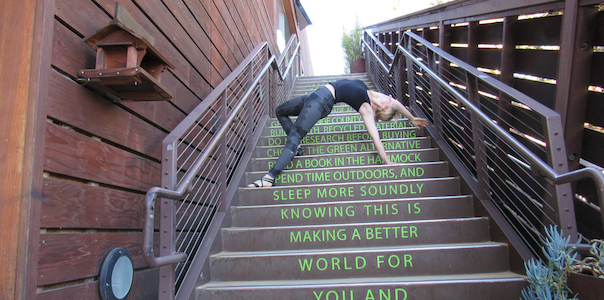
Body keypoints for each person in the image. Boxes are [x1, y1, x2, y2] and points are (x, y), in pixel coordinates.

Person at [248, 79, 429, 187]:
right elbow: (397, 104)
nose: (389, 98)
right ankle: (296, 149)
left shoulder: (366, 108)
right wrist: (412, 118)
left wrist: (388, 161)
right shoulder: (370, 93)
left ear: (382, 107)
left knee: (295, 135)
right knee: (281, 110)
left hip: (321, 103)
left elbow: (376, 138)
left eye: (388, 100)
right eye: (389, 98)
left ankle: (269, 178)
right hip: (314, 95)